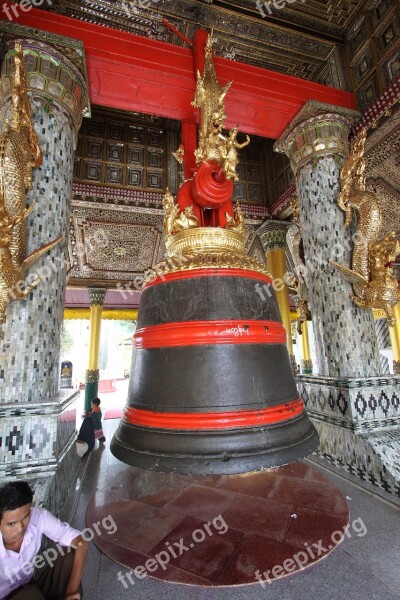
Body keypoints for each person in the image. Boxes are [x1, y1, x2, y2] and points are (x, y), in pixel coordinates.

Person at [0, 481, 88, 600]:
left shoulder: (38, 517)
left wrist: (71, 591)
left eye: (25, 517)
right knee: (31, 595)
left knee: (69, 556)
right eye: (11, 524)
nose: (20, 528)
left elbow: (80, 541)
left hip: (30, 586)